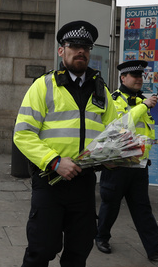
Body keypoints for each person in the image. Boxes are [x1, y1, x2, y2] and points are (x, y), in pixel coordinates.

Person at [13, 20, 118, 267]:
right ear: (62, 50)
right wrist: (55, 161)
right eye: (74, 45)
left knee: (79, 251)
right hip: (50, 181)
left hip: (84, 182)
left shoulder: (101, 89)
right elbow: (23, 133)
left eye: (86, 46)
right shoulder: (44, 85)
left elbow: (115, 133)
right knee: (41, 249)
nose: (80, 51)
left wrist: (114, 157)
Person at [95, 60, 158, 261]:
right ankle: (101, 237)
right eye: (134, 76)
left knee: (143, 208)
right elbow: (118, 126)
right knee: (110, 206)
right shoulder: (114, 99)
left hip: (139, 166)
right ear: (123, 78)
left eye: (141, 76)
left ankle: (155, 247)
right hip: (117, 165)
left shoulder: (142, 100)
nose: (139, 79)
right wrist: (143, 106)